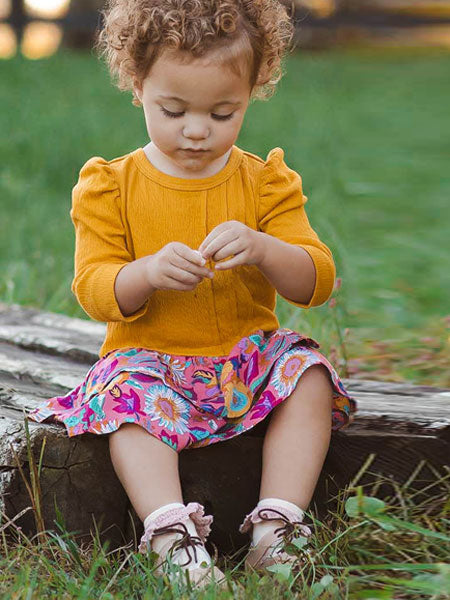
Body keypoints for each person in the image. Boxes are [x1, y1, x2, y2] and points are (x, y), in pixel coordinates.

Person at [27, 0, 356, 588]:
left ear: (254, 91)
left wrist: (262, 247)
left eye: (224, 112)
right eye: (173, 110)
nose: (198, 130)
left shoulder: (265, 184)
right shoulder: (111, 186)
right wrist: (146, 273)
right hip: (152, 363)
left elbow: (316, 281)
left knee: (307, 373)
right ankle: (172, 539)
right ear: (137, 86)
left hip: (243, 362)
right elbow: (95, 289)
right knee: (126, 405)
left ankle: (276, 532)